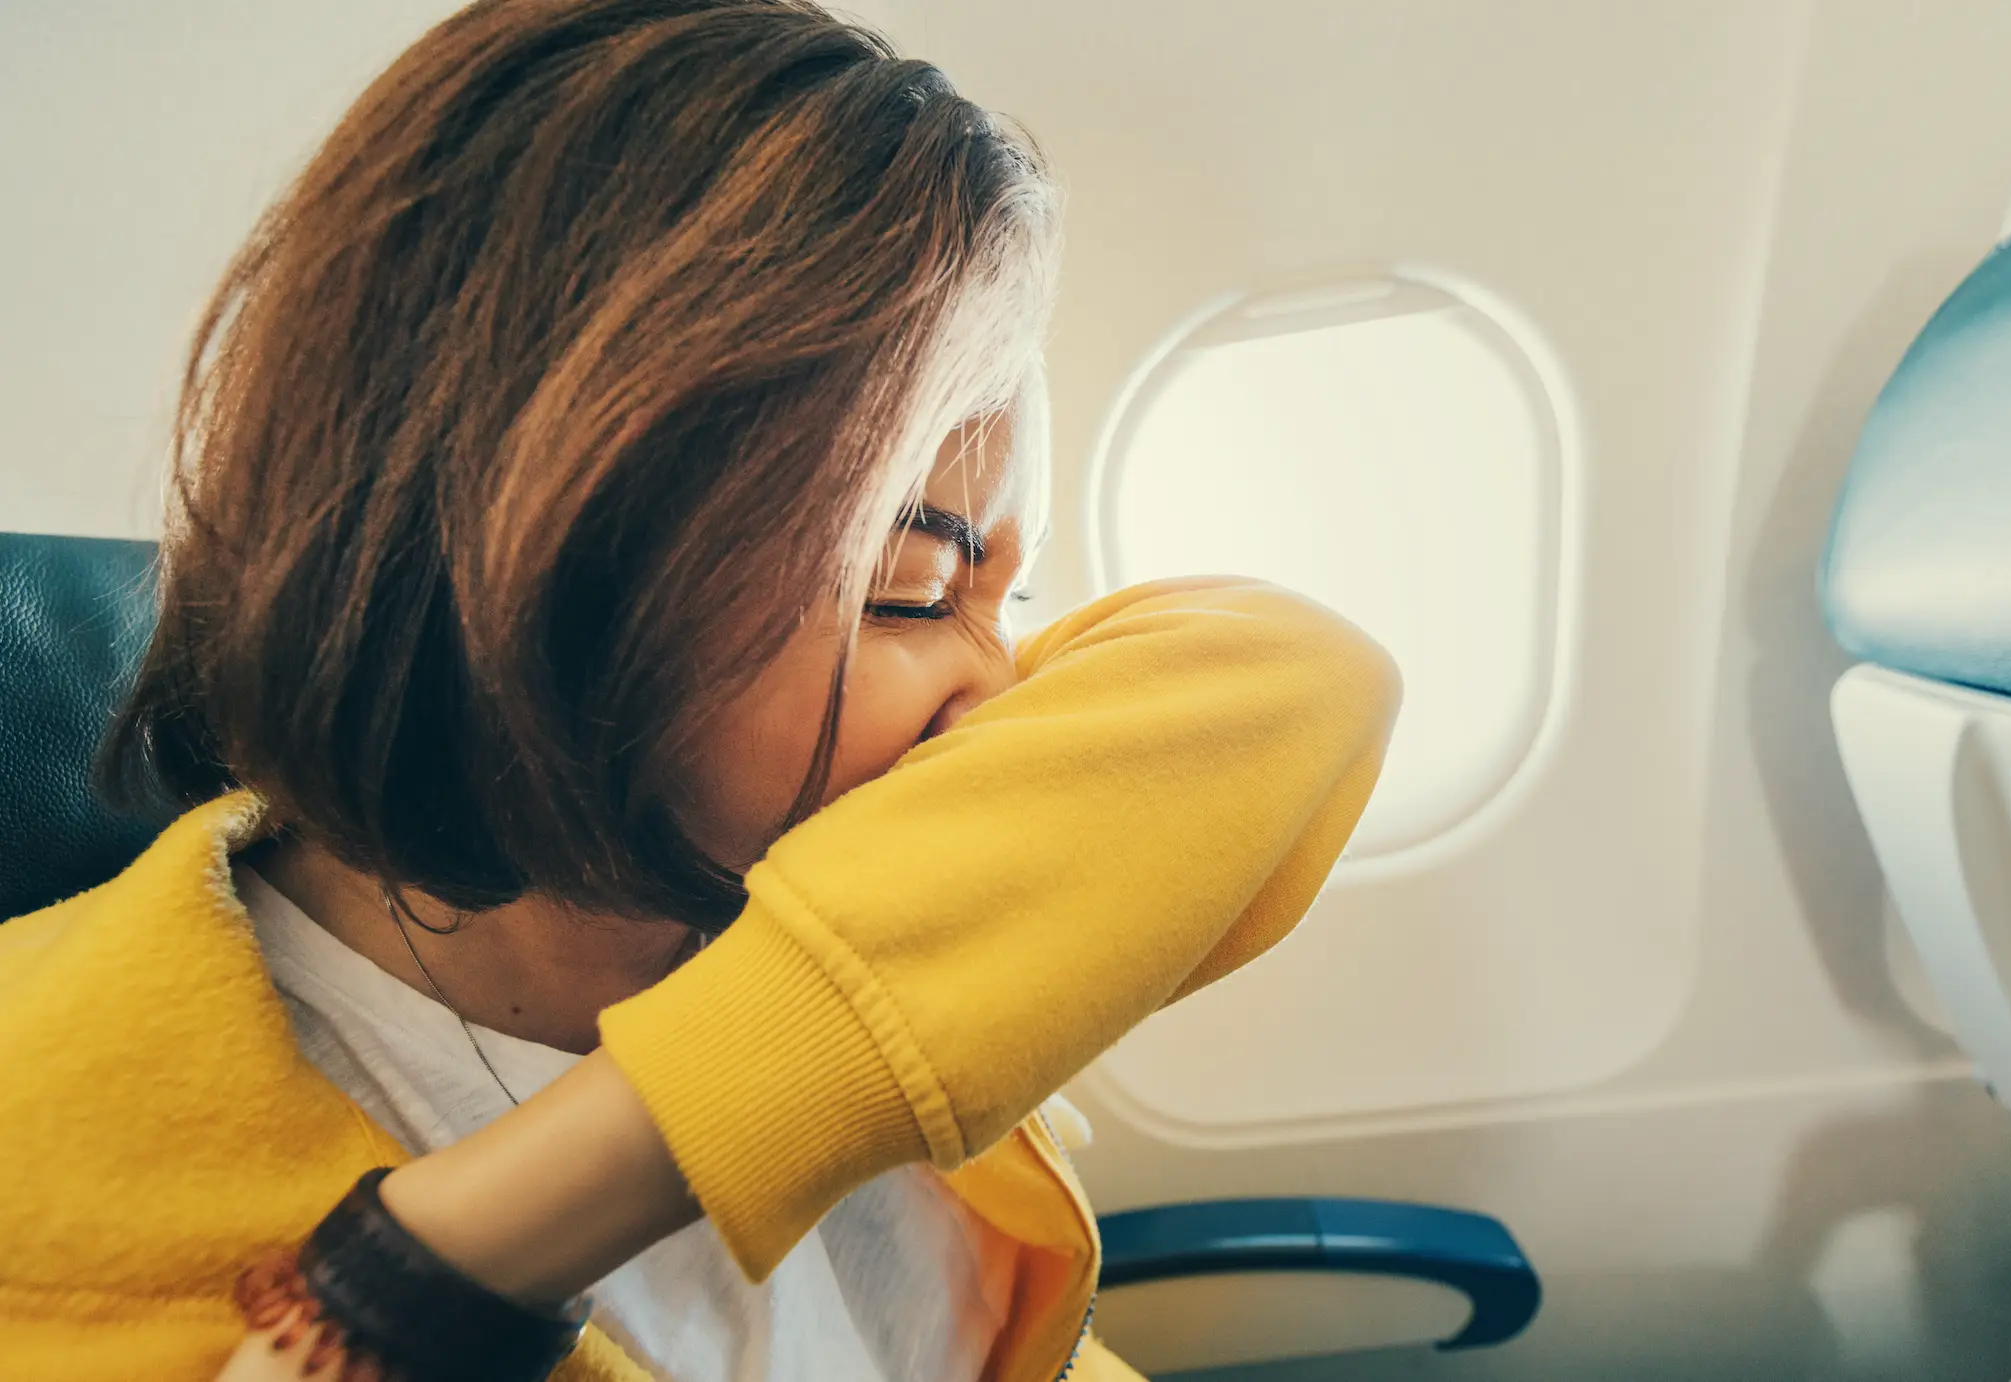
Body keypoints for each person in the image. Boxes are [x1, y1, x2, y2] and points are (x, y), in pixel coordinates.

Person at [0, 2, 1402, 1379]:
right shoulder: (58, 1172)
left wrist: (478, 1247)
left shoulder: (824, 900)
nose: (995, 688)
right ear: (568, 553)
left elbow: (1297, 675)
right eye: (914, 590)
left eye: (1009, 599)